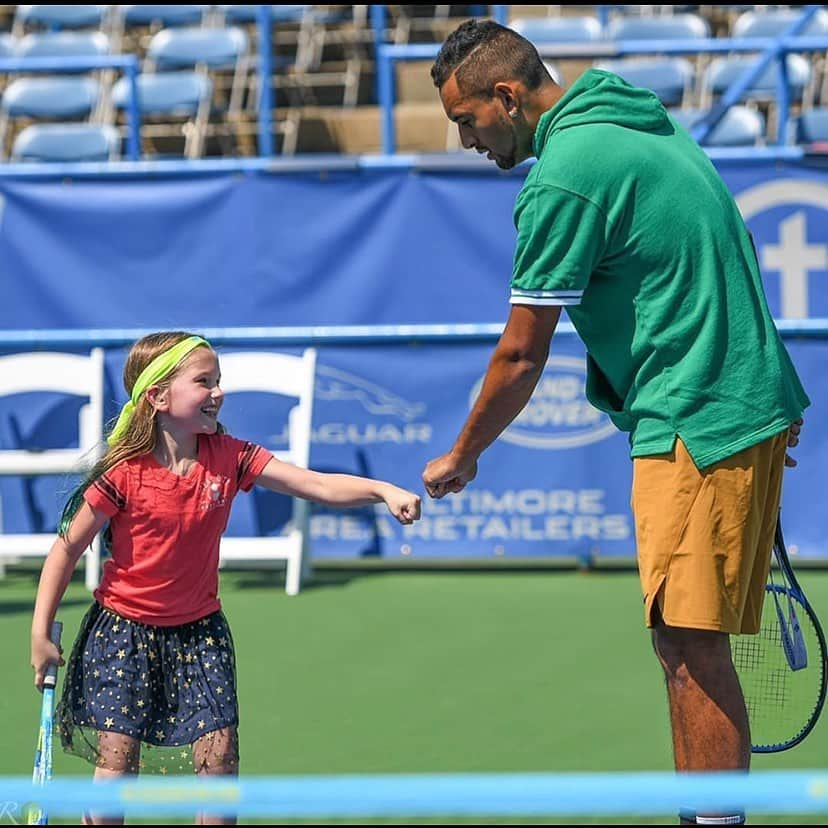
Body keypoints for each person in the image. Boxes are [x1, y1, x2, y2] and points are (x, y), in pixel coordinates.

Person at [422, 19, 808, 826]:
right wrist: (763, 391)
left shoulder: (566, 175)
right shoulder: (632, 115)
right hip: (733, 400)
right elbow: (720, 243)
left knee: (692, 647)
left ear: (507, 95)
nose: (465, 141)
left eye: (467, 121)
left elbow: (521, 356)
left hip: (697, 418)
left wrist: (463, 453)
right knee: (686, 641)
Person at [30, 331, 421, 825]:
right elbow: (65, 549)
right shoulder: (123, 473)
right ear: (158, 396)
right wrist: (40, 632)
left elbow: (316, 484)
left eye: (218, 381)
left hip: (201, 634)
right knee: (116, 766)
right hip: (122, 635)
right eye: (204, 382)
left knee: (220, 765)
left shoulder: (230, 456)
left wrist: (383, 489)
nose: (218, 392)